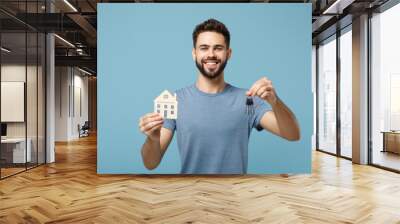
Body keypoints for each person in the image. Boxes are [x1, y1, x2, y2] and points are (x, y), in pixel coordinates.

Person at [138, 18, 300, 174]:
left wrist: (275, 101)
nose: (211, 54)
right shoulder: (175, 100)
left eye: (218, 48)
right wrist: (153, 139)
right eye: (204, 48)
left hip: (233, 195)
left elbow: (293, 135)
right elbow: (150, 163)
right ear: (194, 53)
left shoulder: (248, 100)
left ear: (228, 53)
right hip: (190, 195)